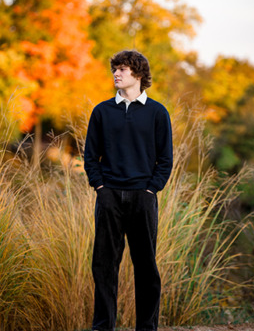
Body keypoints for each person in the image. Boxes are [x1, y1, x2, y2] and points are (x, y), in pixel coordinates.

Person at [83, 50, 173, 331]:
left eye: (122, 69)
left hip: (142, 199)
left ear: (138, 75)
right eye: (115, 69)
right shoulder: (102, 111)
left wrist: (150, 190)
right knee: (104, 266)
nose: (116, 74)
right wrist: (100, 188)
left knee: (146, 268)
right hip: (109, 198)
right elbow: (90, 157)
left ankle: (146, 328)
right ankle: (103, 327)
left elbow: (165, 159)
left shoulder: (157, 113)